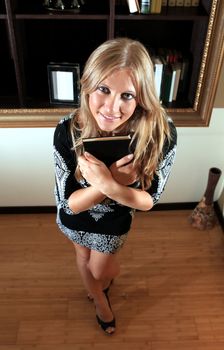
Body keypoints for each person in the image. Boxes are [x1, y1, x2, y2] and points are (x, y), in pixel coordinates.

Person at [53, 37, 177, 335]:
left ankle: (100, 285)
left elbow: (150, 200)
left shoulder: (162, 134)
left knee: (101, 270)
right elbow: (68, 203)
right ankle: (100, 301)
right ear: (88, 85)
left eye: (128, 95)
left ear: (143, 97)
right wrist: (108, 184)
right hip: (74, 217)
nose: (112, 107)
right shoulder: (68, 130)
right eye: (104, 89)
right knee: (83, 259)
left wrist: (111, 185)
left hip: (115, 223)